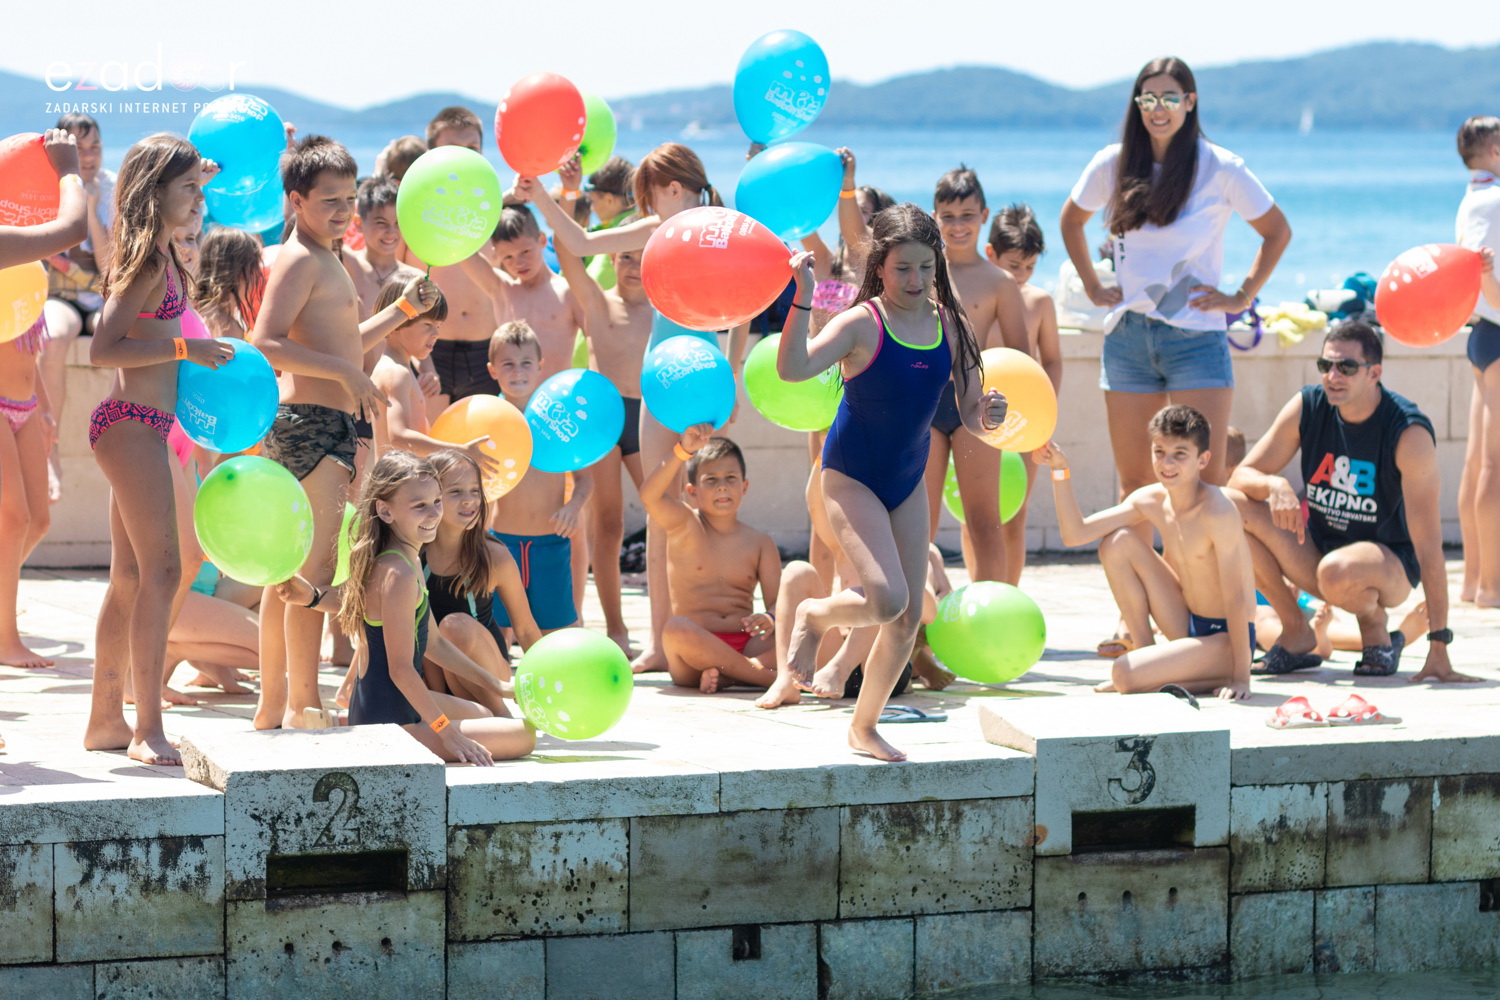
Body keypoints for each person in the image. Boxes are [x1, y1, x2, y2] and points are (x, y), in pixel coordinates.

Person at [777, 204, 1006, 762]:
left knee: (903, 621)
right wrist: (802, 293)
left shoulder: (950, 326)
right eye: (903, 268)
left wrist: (989, 412)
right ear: (881, 266)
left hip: (905, 481)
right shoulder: (862, 323)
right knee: (885, 597)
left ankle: (864, 727)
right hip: (850, 477)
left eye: (926, 268)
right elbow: (793, 370)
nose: (915, 280)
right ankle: (814, 614)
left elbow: (971, 410)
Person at [250, 135, 436, 730]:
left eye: (349, 198)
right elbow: (266, 342)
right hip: (310, 425)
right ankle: (301, 702)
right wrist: (345, 374)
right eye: (329, 200)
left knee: (294, 571)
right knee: (311, 574)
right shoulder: (300, 258)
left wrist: (402, 312)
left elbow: (341, 342)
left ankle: (275, 705)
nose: (343, 210)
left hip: (325, 422)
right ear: (296, 200)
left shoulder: (325, 257)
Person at [517, 142, 725, 672]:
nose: (647, 205)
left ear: (671, 188)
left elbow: (742, 304)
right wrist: (541, 192)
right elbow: (582, 240)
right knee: (662, 513)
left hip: (701, 378)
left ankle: (686, 629)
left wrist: (733, 376)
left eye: (649, 194)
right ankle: (661, 640)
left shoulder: (719, 229)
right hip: (663, 375)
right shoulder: (658, 230)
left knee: (685, 512)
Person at [1059, 56, 1291, 501]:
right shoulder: (1113, 163)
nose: (1158, 108)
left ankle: (1195, 574)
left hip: (1196, 341)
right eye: (1148, 98)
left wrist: (1241, 296)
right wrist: (1091, 284)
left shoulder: (1222, 167)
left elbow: (1277, 231)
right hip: (1127, 340)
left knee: (1203, 488)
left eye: (1169, 97)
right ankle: (1143, 574)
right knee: (1136, 487)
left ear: (1190, 102)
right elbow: (1071, 222)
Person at [82, 134, 235, 765]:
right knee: (164, 573)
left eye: (203, 190)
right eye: (188, 190)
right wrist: (182, 349)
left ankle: (104, 721)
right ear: (155, 194)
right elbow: (102, 348)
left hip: (143, 426)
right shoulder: (148, 262)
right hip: (130, 424)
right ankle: (147, 727)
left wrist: (196, 174)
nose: (200, 201)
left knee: (127, 579)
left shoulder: (167, 256)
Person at [1228, 320, 1473, 683]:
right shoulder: (1308, 406)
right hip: (1320, 552)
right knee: (1231, 505)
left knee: (1337, 571)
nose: (1333, 376)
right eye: (1326, 366)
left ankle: (1375, 625)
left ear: (1375, 373)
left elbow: (1429, 547)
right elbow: (1239, 478)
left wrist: (1439, 647)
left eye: (1346, 367)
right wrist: (1274, 484)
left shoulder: (1407, 432)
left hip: (1389, 565)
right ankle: (1296, 629)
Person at [305, 449, 534, 762]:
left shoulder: (405, 559)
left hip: (389, 708)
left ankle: (344, 725)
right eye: (419, 506)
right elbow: (401, 670)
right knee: (524, 737)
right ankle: (355, 733)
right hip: (390, 723)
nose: (433, 514)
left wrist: (498, 685)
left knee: (483, 712)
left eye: (437, 502)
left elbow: (435, 644)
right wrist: (447, 733)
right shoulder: (398, 573)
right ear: (386, 512)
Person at [1036, 405, 1255, 700]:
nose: (1167, 463)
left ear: (1203, 459)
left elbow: (1237, 598)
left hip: (1227, 639)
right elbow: (1076, 534)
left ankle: (1155, 673)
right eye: (1159, 451)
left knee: (1124, 674)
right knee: (1117, 542)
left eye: (1180, 453)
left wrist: (1242, 678)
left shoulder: (1217, 510)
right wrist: (1060, 469)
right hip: (1187, 621)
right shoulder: (1151, 499)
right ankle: (1147, 658)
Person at [0, 130, 89, 672]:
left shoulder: (21, 246)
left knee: (37, 521)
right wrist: (67, 167)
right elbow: (73, 227)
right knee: (11, 518)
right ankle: (4, 637)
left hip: (24, 398)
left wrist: (45, 407)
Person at [549, 210, 652, 655]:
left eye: (642, 258)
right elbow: (569, 251)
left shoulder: (667, 311)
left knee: (667, 520)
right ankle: (616, 628)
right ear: (612, 259)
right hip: (604, 421)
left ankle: (672, 619)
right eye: (624, 257)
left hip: (649, 419)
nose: (632, 266)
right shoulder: (597, 301)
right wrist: (564, 203)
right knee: (607, 525)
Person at [641, 427, 780, 693]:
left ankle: (731, 675)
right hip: (696, 652)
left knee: (800, 626)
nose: (722, 487)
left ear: (745, 486)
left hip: (749, 642)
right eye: (711, 480)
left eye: (730, 478)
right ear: (692, 491)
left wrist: (770, 616)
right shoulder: (684, 524)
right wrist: (683, 451)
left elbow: (776, 601)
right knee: (675, 629)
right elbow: (650, 496)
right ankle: (760, 676)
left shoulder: (760, 542)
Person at [486, 321, 590, 634]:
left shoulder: (557, 420)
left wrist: (573, 508)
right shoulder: (489, 419)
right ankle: (496, 685)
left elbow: (585, 479)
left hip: (551, 543)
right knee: (497, 632)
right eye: (508, 364)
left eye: (526, 363)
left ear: (540, 367)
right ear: (492, 370)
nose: (518, 371)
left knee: (556, 631)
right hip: (501, 544)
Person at [40, 113, 117, 501]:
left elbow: (109, 267)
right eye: (78, 148)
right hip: (61, 299)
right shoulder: (43, 188)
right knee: (53, 336)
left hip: (101, 298)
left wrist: (90, 206)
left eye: (95, 147)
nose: (88, 156)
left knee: (123, 333)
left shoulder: (114, 189)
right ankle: (50, 446)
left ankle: (121, 441)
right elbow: (52, 256)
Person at [986, 203, 1062, 584]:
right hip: (977, 419)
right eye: (1013, 265)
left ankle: (1009, 594)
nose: (1021, 274)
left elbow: (1052, 362)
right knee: (977, 515)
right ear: (990, 254)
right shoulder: (978, 299)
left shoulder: (1039, 302)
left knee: (1015, 515)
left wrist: (1045, 419)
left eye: (1029, 267)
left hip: (1023, 422)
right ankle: (982, 594)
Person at [423, 449, 542, 676]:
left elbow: (525, 629)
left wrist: (547, 681)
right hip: (435, 670)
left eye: (475, 491)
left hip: (486, 672)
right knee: (418, 629)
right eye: (455, 491)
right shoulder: (414, 550)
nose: (469, 500)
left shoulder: (494, 556)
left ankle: (495, 710)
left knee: (453, 627)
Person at [367, 279, 493, 478]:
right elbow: (398, 437)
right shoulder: (395, 373)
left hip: (403, 484)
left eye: (438, 326)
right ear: (395, 325)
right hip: (397, 487)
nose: (436, 333)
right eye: (427, 324)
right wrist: (460, 451)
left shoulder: (401, 370)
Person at [1455, 116, 1500, 608]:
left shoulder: (1472, 199)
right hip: (1498, 332)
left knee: (1476, 464)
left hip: (1482, 336)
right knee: (1493, 465)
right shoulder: (1495, 200)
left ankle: (1472, 583)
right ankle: (1491, 587)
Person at [190, 227, 265, 340]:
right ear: (240, 272)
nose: (259, 273)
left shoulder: (201, 308)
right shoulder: (225, 325)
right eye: (255, 266)